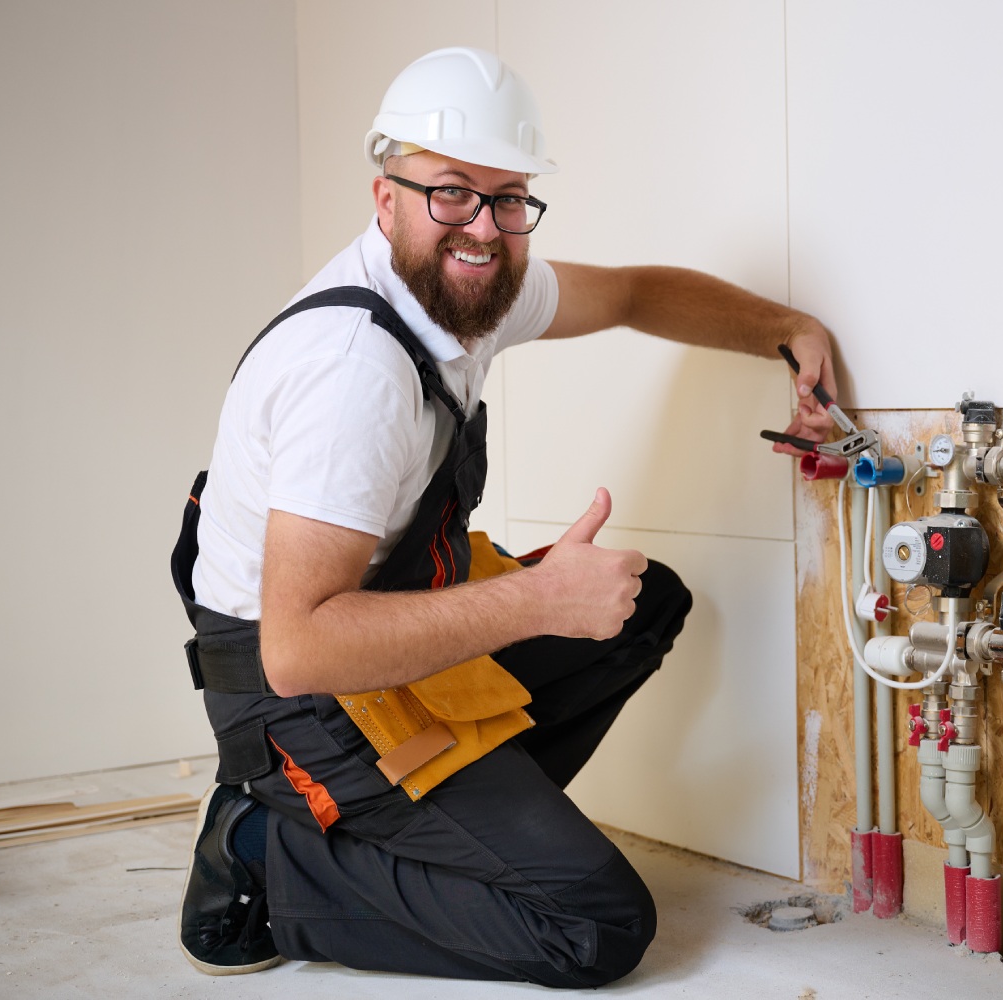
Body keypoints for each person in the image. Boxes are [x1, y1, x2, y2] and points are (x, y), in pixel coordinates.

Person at [172, 46, 836, 988]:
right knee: (592, 926)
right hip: (295, 699)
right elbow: (300, 646)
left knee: (641, 604)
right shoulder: (353, 372)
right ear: (385, 196)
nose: (482, 226)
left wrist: (792, 330)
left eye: (508, 197)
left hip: (366, 639)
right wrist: (538, 603)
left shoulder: (470, 288)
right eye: (451, 191)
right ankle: (269, 856)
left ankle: (437, 830)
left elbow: (639, 294)